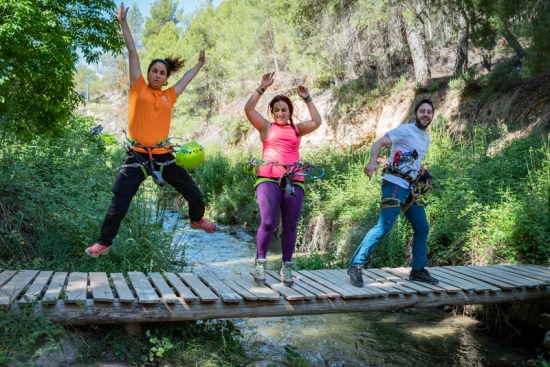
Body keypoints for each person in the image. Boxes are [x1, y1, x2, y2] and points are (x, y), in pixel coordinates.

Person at [86, 2, 217, 258]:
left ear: (167, 78)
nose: (158, 75)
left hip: (164, 156)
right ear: (147, 74)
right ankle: (104, 243)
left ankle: (196, 219)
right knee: (119, 203)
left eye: (162, 73)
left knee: (195, 194)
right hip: (135, 156)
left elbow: (186, 80)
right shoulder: (138, 89)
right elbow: (132, 52)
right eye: (154, 71)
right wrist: (123, 22)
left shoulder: (170, 95)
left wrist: (199, 65)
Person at [347, 99, 439, 287]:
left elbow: (414, 162)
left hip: (410, 188)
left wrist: (424, 175)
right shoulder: (405, 130)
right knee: (383, 227)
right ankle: (355, 266)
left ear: (432, 116)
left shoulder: (426, 138)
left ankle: (418, 270)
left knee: (422, 227)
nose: (426, 114)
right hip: (394, 184)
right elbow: (379, 143)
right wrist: (372, 161)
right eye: (422, 111)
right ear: (415, 114)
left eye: (429, 112)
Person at [244, 73, 322, 287]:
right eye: (276, 110)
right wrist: (261, 87)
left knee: (291, 224)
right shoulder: (266, 128)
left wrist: (308, 99)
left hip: (293, 179)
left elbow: (317, 121)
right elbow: (248, 110)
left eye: (284, 110)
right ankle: (260, 262)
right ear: (272, 112)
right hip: (268, 177)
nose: (280, 113)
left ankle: (286, 266)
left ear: (289, 112)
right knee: (268, 222)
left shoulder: (297, 130)